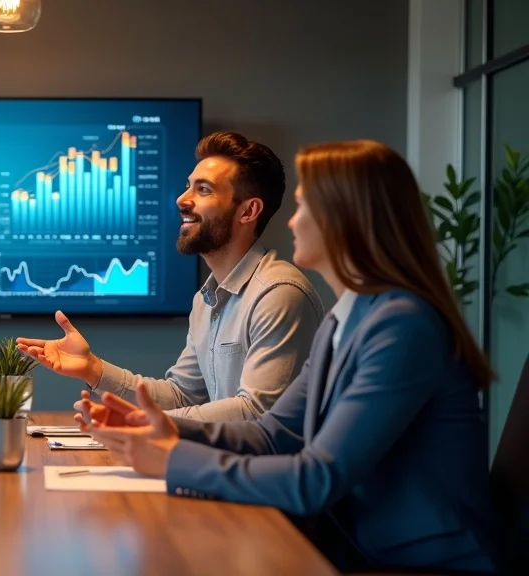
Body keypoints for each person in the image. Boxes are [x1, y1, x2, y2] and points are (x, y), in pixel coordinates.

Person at [81, 140, 501, 573]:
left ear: (347, 218)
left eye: (304, 207)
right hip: (356, 550)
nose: (292, 221)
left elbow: (317, 479)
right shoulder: (345, 318)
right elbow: (272, 433)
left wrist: (173, 459)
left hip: (419, 565)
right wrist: (162, 425)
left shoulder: (402, 326)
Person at [18, 131, 324, 421]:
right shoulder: (206, 300)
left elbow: (257, 413)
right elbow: (181, 397)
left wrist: (139, 421)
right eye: (188, 186)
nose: (182, 199)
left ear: (248, 211)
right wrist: (93, 368)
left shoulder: (279, 294)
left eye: (203, 189)